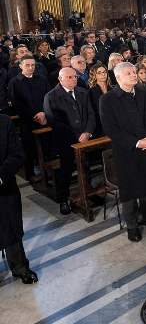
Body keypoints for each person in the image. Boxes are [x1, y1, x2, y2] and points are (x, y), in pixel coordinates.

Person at [100, 62, 146, 242]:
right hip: (127, 151)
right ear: (118, 77)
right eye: (129, 73)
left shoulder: (145, 93)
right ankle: (132, 226)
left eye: (134, 72)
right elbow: (111, 129)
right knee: (129, 191)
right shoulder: (108, 99)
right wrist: (137, 142)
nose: (134, 75)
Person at [43, 67, 95, 214]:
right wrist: (76, 136)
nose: (74, 79)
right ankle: (63, 199)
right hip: (65, 141)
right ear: (60, 79)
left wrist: (87, 132)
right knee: (65, 170)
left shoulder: (83, 93)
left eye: (75, 77)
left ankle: (88, 192)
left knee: (86, 166)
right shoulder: (51, 96)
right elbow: (54, 122)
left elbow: (91, 114)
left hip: (85, 138)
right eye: (70, 77)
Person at [0, 113, 38, 284]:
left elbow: (17, 154)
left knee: (12, 228)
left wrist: (1, 175)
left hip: (5, 185)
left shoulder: (4, 122)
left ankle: (20, 267)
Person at [9, 55, 50, 179]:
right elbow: (17, 104)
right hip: (27, 121)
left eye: (33, 65)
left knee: (47, 146)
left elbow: (48, 97)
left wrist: (44, 113)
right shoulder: (15, 82)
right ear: (20, 66)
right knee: (29, 148)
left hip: (45, 119)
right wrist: (34, 116)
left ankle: (47, 169)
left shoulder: (42, 79)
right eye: (27, 65)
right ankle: (31, 173)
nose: (31, 67)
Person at [88, 62, 110, 136]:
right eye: (99, 73)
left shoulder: (113, 89)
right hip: (100, 125)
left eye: (104, 72)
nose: (103, 74)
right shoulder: (91, 92)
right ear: (94, 75)